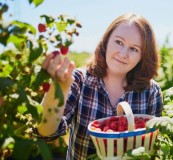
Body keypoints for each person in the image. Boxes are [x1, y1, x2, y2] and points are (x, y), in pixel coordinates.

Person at [37, 13, 163, 159]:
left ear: (143, 56)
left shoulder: (150, 91)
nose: (123, 54)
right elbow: (46, 133)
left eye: (134, 49)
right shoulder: (80, 80)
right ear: (106, 41)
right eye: (119, 42)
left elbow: (151, 147)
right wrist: (59, 89)